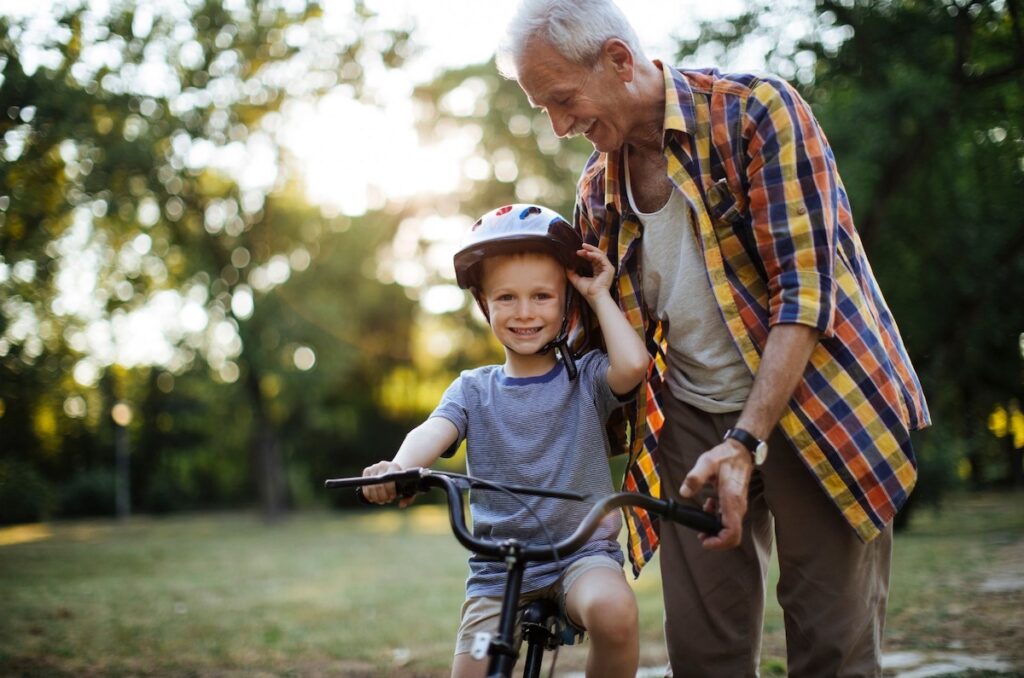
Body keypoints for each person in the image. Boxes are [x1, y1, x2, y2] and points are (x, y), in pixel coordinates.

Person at [498, 1, 931, 676]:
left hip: (814, 398)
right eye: (543, 109)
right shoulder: (598, 187)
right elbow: (590, 349)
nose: (558, 127)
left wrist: (746, 440)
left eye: (562, 100)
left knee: (832, 645)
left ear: (617, 59)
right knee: (703, 656)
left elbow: (805, 292)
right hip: (692, 415)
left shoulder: (756, 113)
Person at [361, 203, 650, 678]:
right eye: (506, 298)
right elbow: (431, 431)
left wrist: (598, 294)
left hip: (582, 556)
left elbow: (634, 367)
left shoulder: (588, 377)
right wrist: (398, 467)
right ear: (484, 305)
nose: (524, 313)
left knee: (615, 612)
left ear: (566, 301)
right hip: (498, 571)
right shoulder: (473, 390)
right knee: (474, 667)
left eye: (542, 296)